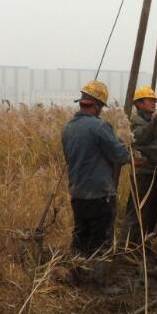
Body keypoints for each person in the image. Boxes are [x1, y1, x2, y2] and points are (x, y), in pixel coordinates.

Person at [61, 80, 131, 268]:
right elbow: (121, 155)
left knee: (80, 239)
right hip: (100, 195)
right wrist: (127, 146)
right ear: (98, 106)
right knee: (101, 243)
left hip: (78, 193)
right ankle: (99, 282)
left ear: (82, 101)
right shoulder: (100, 127)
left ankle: (76, 274)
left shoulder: (68, 128)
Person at [121, 86, 157, 246]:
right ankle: (127, 246)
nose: (154, 103)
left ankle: (143, 244)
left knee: (151, 213)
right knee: (137, 212)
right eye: (150, 100)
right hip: (143, 174)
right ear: (139, 104)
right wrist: (155, 121)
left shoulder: (151, 124)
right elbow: (139, 138)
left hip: (154, 174)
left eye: (154, 100)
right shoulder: (135, 123)